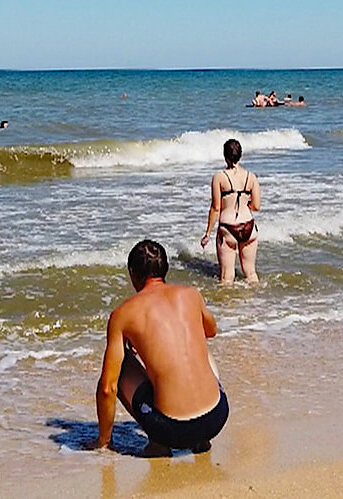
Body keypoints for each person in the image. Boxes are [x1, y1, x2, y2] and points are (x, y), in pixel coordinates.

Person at [95, 240, 228, 455]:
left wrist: (102, 441)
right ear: (165, 268)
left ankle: (158, 444)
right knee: (198, 347)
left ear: (132, 274)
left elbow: (107, 388)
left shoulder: (122, 315)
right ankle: (202, 442)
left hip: (173, 430)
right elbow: (210, 331)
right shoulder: (191, 294)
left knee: (119, 370)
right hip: (217, 416)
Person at [200, 139, 260, 283]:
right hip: (249, 227)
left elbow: (215, 208)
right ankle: (258, 304)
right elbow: (257, 206)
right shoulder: (251, 177)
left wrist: (207, 233)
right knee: (250, 273)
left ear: (225, 156)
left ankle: (227, 306)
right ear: (240, 155)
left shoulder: (219, 177)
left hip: (228, 228)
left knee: (227, 276)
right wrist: (246, 205)